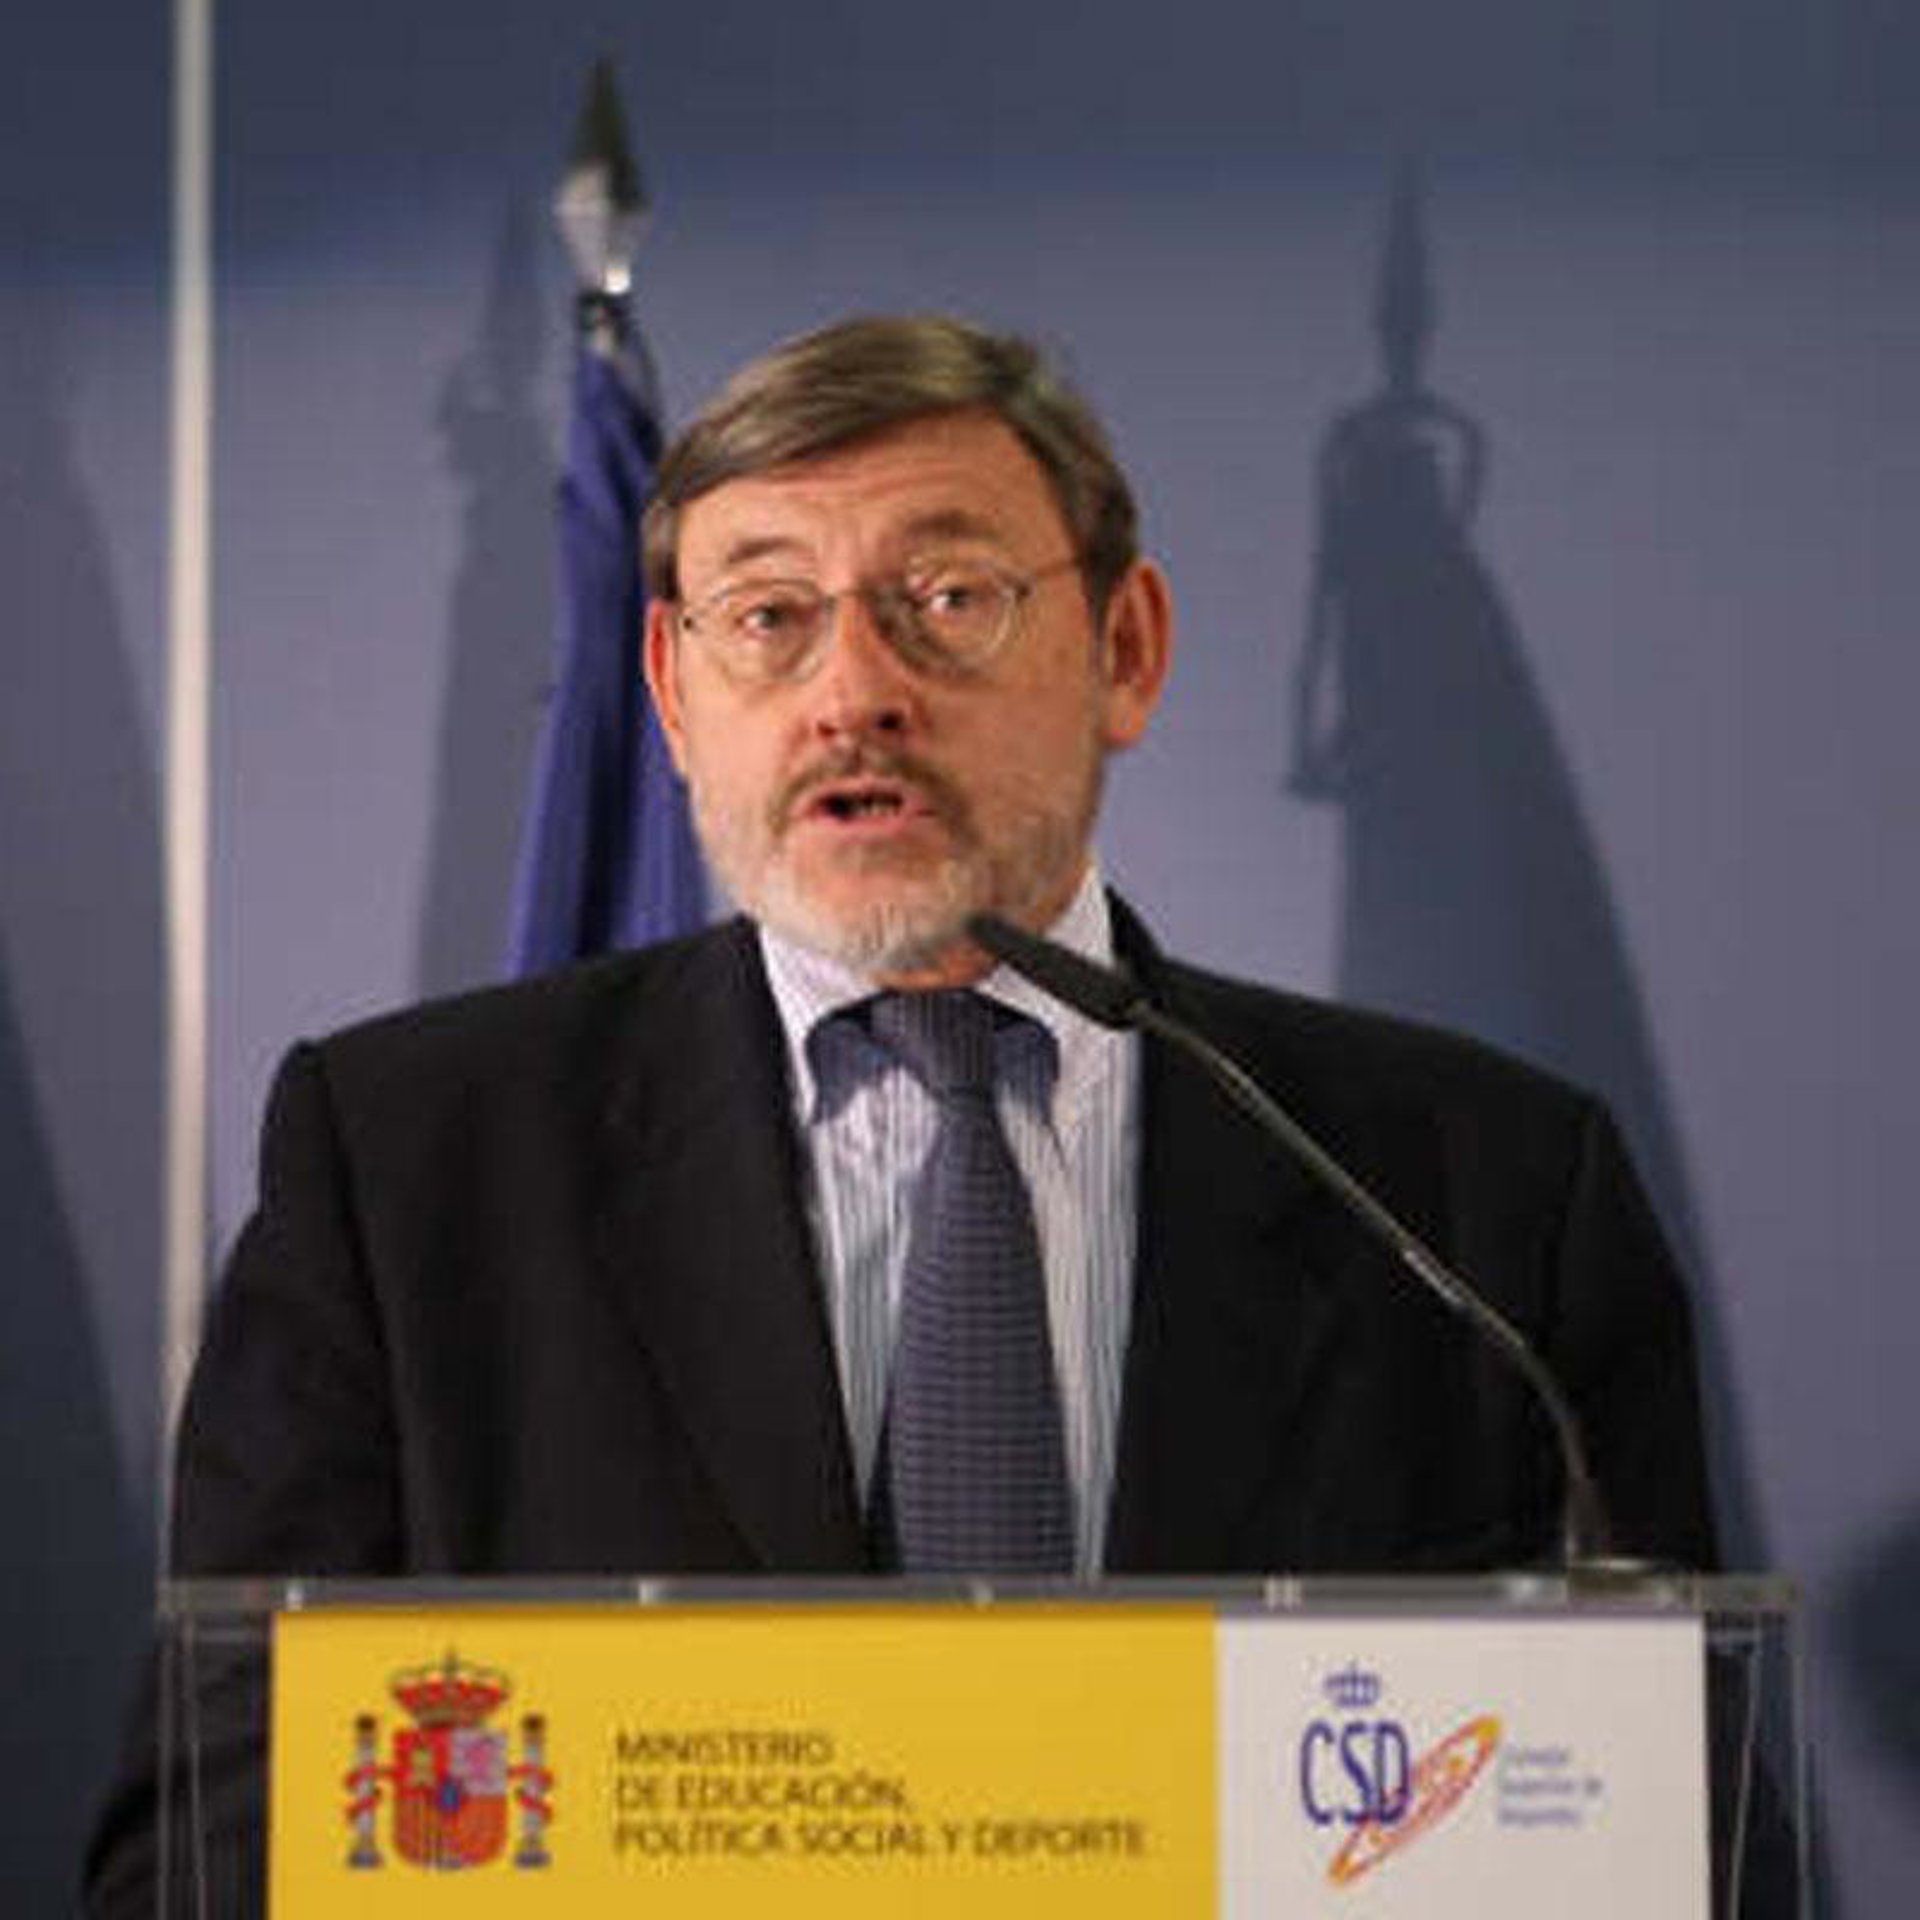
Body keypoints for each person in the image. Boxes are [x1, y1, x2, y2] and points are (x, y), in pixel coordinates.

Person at [85, 314, 1720, 1912]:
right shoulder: (407, 1171)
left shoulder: (1481, 1199)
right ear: (671, 693)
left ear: (1127, 650)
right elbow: (206, 1855)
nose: (853, 691)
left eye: (948, 600)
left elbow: (1688, 1837)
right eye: (767, 616)